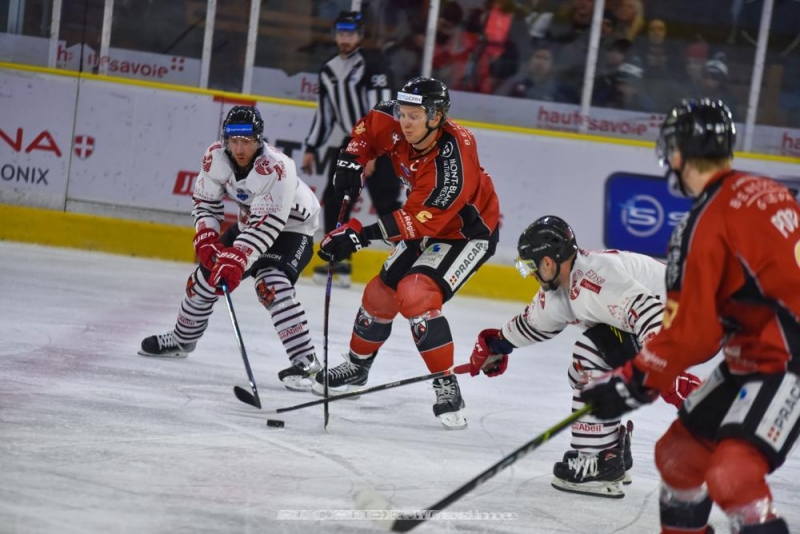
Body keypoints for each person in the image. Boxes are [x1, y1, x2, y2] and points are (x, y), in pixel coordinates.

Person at [582, 99, 799, 533]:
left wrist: (633, 381)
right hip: (753, 354)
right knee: (678, 457)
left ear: (678, 153)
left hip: (785, 359)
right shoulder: (767, 190)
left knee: (733, 475)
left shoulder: (701, 225)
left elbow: (693, 333)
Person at [313, 77, 501, 430]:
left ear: (436, 117)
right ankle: (357, 366)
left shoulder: (453, 159)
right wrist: (351, 160)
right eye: (403, 113)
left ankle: (446, 383)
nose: (405, 122)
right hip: (425, 223)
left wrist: (359, 236)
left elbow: (419, 220)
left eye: (415, 116)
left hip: (466, 233)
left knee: (415, 293)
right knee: (378, 295)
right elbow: (369, 126)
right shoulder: (396, 123)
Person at [467, 215, 701, 498]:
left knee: (591, 352)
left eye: (530, 265)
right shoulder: (566, 285)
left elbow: (652, 316)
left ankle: (598, 461)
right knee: (581, 371)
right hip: (676, 321)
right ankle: (610, 450)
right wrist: (495, 346)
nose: (529, 274)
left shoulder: (596, 281)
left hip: (691, 321)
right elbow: (533, 323)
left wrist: (664, 371)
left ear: (548, 262)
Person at [139, 106, 323, 392]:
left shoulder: (278, 167)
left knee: (271, 284)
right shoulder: (215, 157)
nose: (239, 148)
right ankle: (182, 339)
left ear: (259, 140)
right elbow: (205, 203)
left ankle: (306, 361)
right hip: (250, 223)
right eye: (234, 141)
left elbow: (269, 223)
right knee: (203, 278)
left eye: (246, 141)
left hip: (292, 229)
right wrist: (206, 238)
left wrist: (237, 259)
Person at [301, 11, 400, 288]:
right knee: (335, 201)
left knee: (386, 203)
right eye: (341, 34)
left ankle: (410, 258)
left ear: (360, 36)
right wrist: (311, 147)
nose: (345, 39)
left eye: (351, 34)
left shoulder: (374, 65)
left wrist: (373, 150)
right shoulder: (328, 69)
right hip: (351, 143)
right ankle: (338, 259)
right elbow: (325, 114)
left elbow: (382, 112)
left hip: (381, 146)